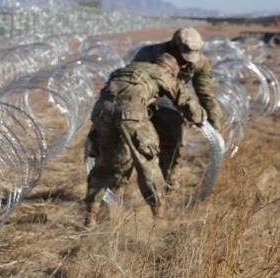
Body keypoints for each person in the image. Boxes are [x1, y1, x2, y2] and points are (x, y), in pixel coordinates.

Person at [84, 53, 205, 227]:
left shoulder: (125, 69)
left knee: (104, 164)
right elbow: (184, 99)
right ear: (170, 70)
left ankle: (91, 217)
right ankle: (159, 219)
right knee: (148, 165)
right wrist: (199, 118)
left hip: (101, 113)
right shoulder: (161, 73)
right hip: (131, 114)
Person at [131, 27, 223, 192]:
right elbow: (132, 83)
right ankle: (126, 187)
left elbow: (206, 95)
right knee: (137, 144)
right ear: (173, 45)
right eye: (183, 55)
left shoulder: (200, 63)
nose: (186, 62)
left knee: (173, 145)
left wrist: (215, 128)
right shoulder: (149, 53)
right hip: (143, 104)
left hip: (172, 107)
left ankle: (168, 187)